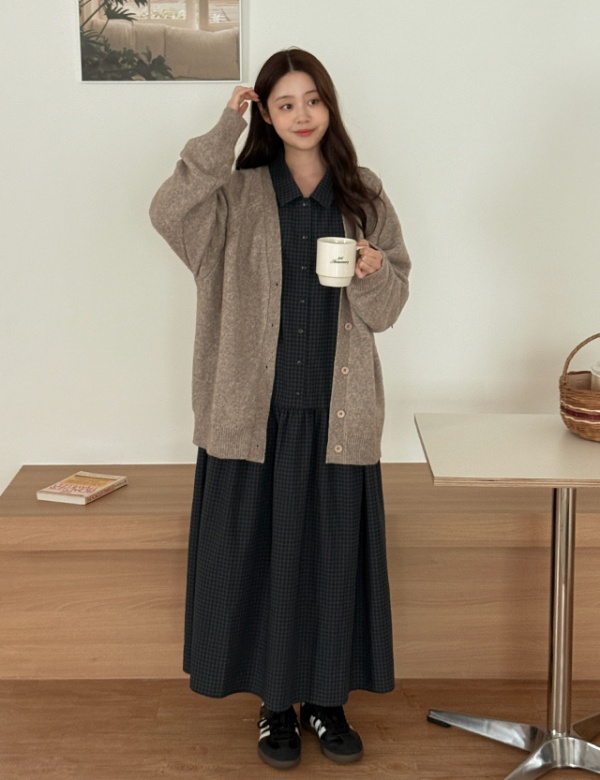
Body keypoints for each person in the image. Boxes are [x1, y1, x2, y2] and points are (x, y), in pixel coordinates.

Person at [149, 47, 411, 770]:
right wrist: (221, 131)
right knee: (261, 568)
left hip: (336, 420)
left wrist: (374, 271)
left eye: (312, 100)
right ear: (265, 113)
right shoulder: (232, 197)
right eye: (285, 103)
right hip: (251, 421)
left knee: (330, 567)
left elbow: (389, 308)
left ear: (329, 106)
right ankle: (274, 709)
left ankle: (326, 703)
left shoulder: (364, 194)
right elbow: (166, 210)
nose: (302, 115)